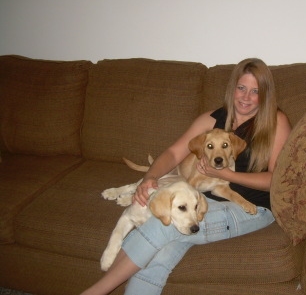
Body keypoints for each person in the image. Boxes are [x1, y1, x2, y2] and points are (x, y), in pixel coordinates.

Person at [81, 58, 291, 295]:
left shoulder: (275, 120)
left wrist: (227, 174)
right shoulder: (211, 119)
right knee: (160, 254)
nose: (246, 97)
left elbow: (275, 181)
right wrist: (151, 177)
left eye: (255, 91)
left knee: (162, 226)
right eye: (241, 88)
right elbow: (173, 152)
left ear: (265, 94)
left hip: (252, 208)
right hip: (205, 200)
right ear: (232, 88)